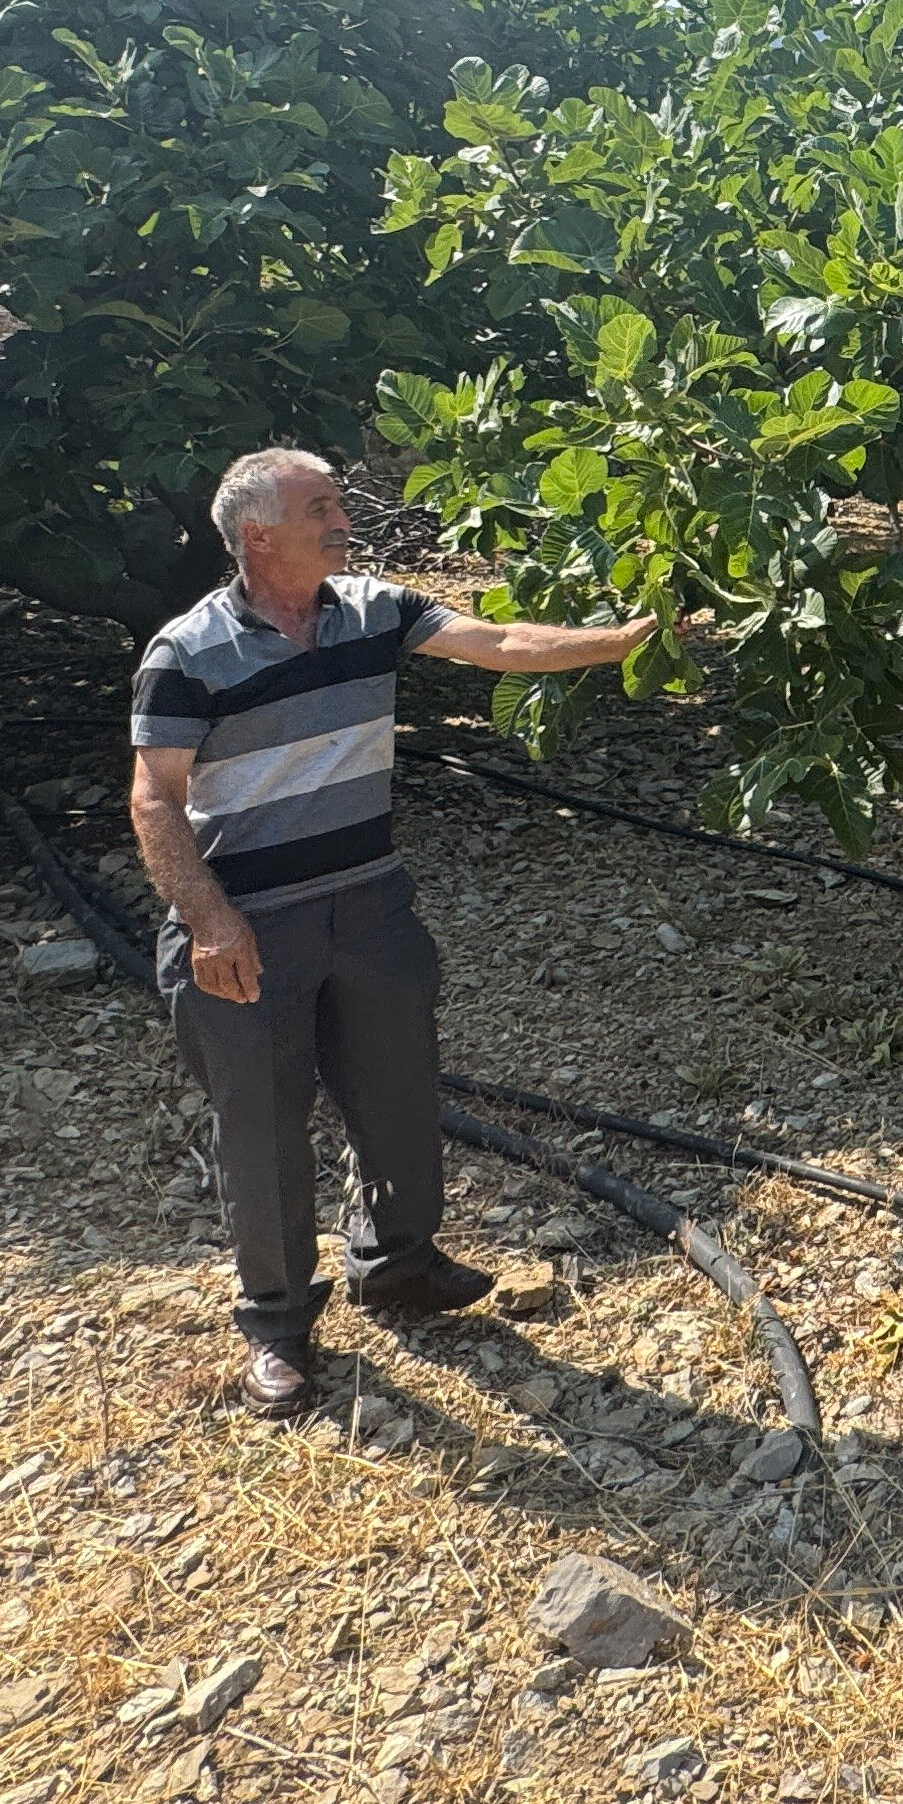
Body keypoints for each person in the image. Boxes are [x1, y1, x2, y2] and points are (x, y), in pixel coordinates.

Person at [128, 446, 661, 1416]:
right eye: (320, 507)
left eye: (337, 502)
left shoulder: (375, 609)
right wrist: (209, 921)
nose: (344, 519)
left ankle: (398, 1266)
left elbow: (502, 640)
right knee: (263, 1132)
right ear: (259, 535)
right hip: (251, 925)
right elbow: (154, 801)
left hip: (369, 905)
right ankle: (278, 1326)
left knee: (399, 1096)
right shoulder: (188, 653)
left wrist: (622, 642)